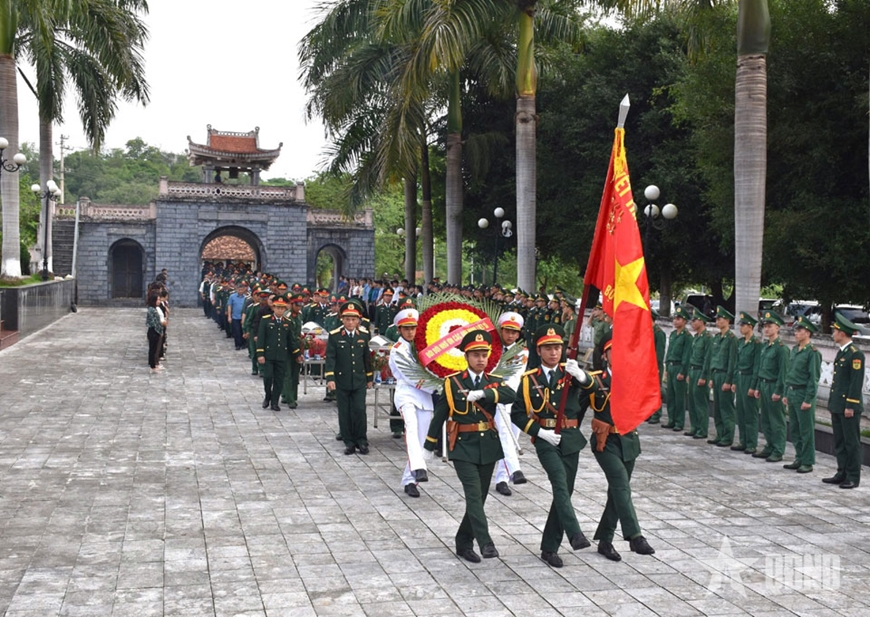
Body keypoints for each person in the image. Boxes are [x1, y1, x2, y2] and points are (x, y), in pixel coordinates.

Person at [424, 330, 517, 563]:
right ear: (466, 357)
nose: (480, 359)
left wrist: (484, 393)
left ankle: (463, 542)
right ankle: (486, 543)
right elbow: (440, 414)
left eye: (484, 354)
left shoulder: (494, 381)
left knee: (480, 498)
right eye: (475, 355)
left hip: (488, 447)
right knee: (473, 495)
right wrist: (429, 445)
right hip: (463, 446)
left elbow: (510, 395)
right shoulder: (453, 382)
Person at [511, 325, 591, 568]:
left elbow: (593, 389)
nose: (554, 352)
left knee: (565, 492)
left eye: (557, 347)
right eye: (548, 348)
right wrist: (539, 432)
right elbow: (518, 414)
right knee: (559, 482)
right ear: (539, 351)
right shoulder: (529, 379)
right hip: (546, 439)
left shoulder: (570, 373)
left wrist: (582, 376)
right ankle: (575, 534)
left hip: (571, 438)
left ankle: (549, 548)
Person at [586, 335, 655, 562]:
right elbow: (575, 407)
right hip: (605, 442)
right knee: (620, 484)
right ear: (605, 356)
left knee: (617, 492)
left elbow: (652, 400)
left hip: (629, 441)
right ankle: (635, 536)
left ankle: (605, 541)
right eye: (612, 351)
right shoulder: (596, 380)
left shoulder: (634, 379)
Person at [388, 308, 435, 498]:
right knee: (412, 429)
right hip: (407, 394)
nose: (410, 332)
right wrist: (437, 388)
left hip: (424, 397)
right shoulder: (398, 350)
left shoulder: (423, 346)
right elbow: (411, 376)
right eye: (406, 328)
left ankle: (410, 480)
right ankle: (418, 467)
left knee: (422, 438)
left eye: (413, 328)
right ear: (399, 330)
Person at [326, 301, 374, 455]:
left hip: (359, 379)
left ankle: (362, 440)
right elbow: (331, 358)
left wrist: (369, 377)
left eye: (354, 319)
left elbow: (367, 358)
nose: (350, 322)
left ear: (359, 320)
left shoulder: (364, 335)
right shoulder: (335, 335)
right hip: (342, 379)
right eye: (347, 319)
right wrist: (330, 378)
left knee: (360, 410)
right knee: (344, 412)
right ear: (342, 319)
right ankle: (349, 442)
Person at [823, 313, 865, 489]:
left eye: (835, 331)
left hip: (848, 406)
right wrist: (833, 403)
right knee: (840, 441)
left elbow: (856, 383)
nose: (833, 334)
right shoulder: (842, 353)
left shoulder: (855, 355)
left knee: (851, 442)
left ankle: (853, 476)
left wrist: (850, 405)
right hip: (838, 405)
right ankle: (842, 472)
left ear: (842, 333)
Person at [492, 312, 528, 496]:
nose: (510, 335)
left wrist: (501, 391)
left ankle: (503, 478)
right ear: (501, 330)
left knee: (512, 436)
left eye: (514, 332)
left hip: (512, 398)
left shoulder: (521, 352)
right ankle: (514, 470)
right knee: (504, 435)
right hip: (491, 398)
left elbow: (515, 377)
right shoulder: (491, 348)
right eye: (507, 331)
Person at [782, 316, 821, 473]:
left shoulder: (812, 352)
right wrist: (786, 393)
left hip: (803, 393)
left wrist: (808, 399)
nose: (796, 333)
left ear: (808, 333)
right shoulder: (794, 350)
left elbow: (813, 378)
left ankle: (808, 461)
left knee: (806, 430)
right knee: (795, 429)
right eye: (796, 330)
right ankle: (799, 457)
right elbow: (790, 373)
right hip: (792, 392)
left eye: (800, 330)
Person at [752, 311, 789, 462]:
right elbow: (761, 368)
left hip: (774, 386)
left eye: (770, 326)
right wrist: (757, 387)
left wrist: (779, 391)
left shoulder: (781, 348)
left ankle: (778, 450)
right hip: (764, 385)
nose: (766, 329)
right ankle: (770, 445)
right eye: (765, 326)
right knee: (766, 419)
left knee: (777, 420)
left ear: (777, 328)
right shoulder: (765, 346)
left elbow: (783, 372)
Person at [731, 312, 762, 454]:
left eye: (743, 325)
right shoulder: (740, 342)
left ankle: (751, 443)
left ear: (750, 327)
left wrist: (753, 386)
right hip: (740, 377)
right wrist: (734, 381)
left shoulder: (756, 344)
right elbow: (737, 363)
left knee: (750, 413)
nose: (741, 328)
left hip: (749, 378)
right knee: (741, 412)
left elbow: (757, 367)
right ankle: (743, 440)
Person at [256, 294, 293, 412]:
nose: (280, 310)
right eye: (278, 308)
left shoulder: (288, 322)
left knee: (279, 379)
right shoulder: (265, 320)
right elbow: (261, 338)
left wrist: (297, 353)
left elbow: (290, 340)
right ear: (273, 308)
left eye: (282, 308)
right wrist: (260, 354)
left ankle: (275, 402)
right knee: (267, 377)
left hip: (281, 355)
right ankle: (268, 395)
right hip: (269, 355)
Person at [707, 306, 738, 446]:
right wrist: (711, 377)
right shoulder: (717, 338)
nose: (718, 321)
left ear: (727, 321)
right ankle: (720, 434)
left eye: (720, 319)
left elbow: (732, 361)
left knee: (726, 408)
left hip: (725, 375)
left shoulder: (732, 339)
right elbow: (714, 358)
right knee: (717, 408)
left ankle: (728, 436)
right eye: (717, 319)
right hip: (716, 374)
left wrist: (728, 380)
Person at [663, 306, 692, 431]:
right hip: (671, 366)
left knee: (679, 397)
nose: (675, 321)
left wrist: (683, 371)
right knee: (670, 395)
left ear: (684, 321)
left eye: (678, 319)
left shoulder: (687, 336)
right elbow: (669, 351)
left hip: (679, 366)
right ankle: (671, 419)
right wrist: (666, 367)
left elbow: (687, 355)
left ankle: (679, 422)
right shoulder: (673, 334)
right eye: (674, 318)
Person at [687, 308, 713, 439]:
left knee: (700, 402)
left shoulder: (707, 338)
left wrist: (704, 376)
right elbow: (691, 356)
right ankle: (694, 427)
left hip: (700, 371)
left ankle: (702, 429)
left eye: (695, 320)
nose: (692, 323)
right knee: (692, 401)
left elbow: (707, 359)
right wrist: (688, 373)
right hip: (692, 370)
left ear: (702, 321)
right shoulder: (696, 337)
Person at [281, 294, 305, 410]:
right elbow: (289, 337)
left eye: (300, 305)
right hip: (287, 349)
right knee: (288, 374)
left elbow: (298, 332)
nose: (299, 307)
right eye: (297, 305)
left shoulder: (299, 315)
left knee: (295, 374)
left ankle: (291, 396)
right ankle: (290, 399)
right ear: (292, 304)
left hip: (297, 346)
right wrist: (296, 351)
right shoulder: (287, 317)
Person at [647, 308, 667, 424]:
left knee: (656, 390)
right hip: (646, 365)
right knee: (647, 391)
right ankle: (649, 412)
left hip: (655, 366)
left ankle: (656, 413)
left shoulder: (659, 333)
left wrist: (657, 368)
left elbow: (659, 353)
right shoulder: (647, 331)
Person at [146, 292, 165, 374]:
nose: (159, 301)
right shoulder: (152, 310)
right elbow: (155, 323)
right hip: (153, 331)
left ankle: (155, 364)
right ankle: (152, 366)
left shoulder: (155, 309)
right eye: (158, 300)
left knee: (155, 349)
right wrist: (159, 331)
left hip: (156, 330)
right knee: (152, 349)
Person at [227, 280, 249, 350]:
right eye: (239, 290)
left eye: (242, 290)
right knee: (236, 332)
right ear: (236, 289)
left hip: (243, 317)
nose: (240, 291)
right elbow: (229, 306)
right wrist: (229, 316)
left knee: (242, 331)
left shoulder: (246, 297)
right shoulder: (232, 296)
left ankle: (243, 344)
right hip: (235, 317)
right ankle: (237, 345)